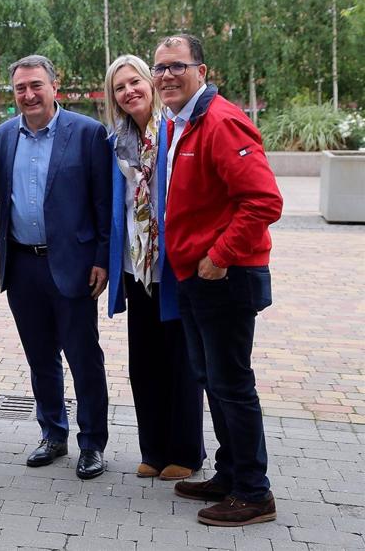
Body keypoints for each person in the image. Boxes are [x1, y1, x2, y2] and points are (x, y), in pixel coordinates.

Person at [154, 34, 283, 526]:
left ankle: (254, 492)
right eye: (160, 67)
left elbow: (264, 201)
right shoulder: (182, 122)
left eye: (177, 66)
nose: (166, 75)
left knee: (232, 384)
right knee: (213, 380)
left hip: (223, 276)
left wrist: (218, 256)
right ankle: (230, 474)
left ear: (201, 72)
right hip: (197, 275)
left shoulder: (221, 121)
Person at [0, 54, 112, 480]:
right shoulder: (2, 137)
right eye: (21, 88)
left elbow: (103, 202)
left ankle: (92, 442)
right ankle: (53, 434)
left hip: (73, 266)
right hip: (23, 266)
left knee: (83, 358)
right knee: (40, 357)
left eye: (36, 86)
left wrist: (102, 258)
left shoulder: (88, 133)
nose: (28, 94)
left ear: (54, 87)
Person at [102, 55, 204, 481]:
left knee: (181, 360)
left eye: (134, 82)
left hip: (174, 265)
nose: (129, 91)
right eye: (119, 87)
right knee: (144, 362)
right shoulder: (116, 141)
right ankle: (153, 448)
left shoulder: (175, 130)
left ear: (149, 82)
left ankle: (186, 452)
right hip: (136, 266)